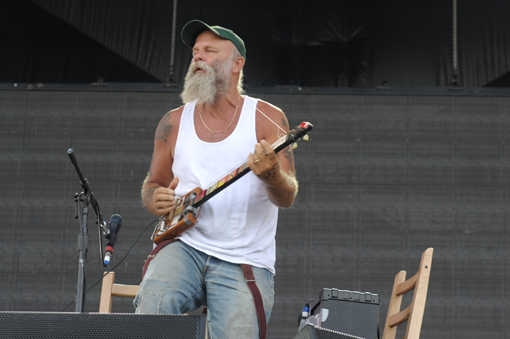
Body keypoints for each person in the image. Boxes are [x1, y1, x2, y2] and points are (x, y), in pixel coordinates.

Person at [134, 20, 298, 338]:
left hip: (245, 258)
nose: (199, 57)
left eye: (210, 50)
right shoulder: (172, 121)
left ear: (238, 64)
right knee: (152, 306)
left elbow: (287, 195)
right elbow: (152, 184)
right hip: (185, 245)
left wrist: (272, 175)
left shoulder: (267, 117)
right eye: (196, 52)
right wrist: (155, 198)